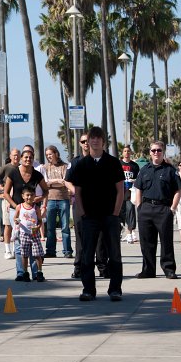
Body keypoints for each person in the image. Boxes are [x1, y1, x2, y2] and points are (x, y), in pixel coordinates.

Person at [67, 126, 124, 302]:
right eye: (92, 138)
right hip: (89, 217)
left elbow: (121, 191)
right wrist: (83, 214)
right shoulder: (81, 165)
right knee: (87, 253)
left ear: (103, 141)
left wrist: (115, 213)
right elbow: (77, 192)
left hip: (110, 216)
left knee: (114, 253)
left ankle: (115, 289)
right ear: (88, 141)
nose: (95, 141)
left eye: (99, 138)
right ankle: (88, 290)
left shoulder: (113, 162)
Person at [133, 141, 181, 279]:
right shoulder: (144, 170)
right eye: (153, 150)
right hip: (146, 208)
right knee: (146, 242)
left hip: (163, 209)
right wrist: (139, 207)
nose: (156, 153)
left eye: (159, 150)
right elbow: (138, 189)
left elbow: (178, 190)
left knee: (166, 241)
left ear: (163, 152)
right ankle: (148, 270)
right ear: (150, 152)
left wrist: (172, 209)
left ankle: (169, 269)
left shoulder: (170, 170)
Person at [2, 149, 48, 280]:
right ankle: (21, 272)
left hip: (32, 212)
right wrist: (15, 205)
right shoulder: (13, 172)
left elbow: (46, 190)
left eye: (30, 157)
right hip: (16, 211)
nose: (28, 159)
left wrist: (40, 199)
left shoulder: (37, 174)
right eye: (26, 157)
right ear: (21, 158)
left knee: (34, 244)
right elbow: (5, 192)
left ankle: (36, 273)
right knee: (18, 243)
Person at [40, 145, 72, 258]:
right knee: (50, 227)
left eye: (50, 154)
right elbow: (44, 182)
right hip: (50, 200)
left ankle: (67, 250)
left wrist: (53, 182)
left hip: (63, 199)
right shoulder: (45, 167)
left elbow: (64, 181)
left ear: (56, 154)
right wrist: (57, 181)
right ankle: (50, 251)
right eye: (47, 154)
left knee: (65, 227)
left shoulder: (65, 166)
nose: (49, 156)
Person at [0, 147, 21, 255]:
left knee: (18, 225)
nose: (16, 157)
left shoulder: (22, 168)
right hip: (7, 200)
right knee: (8, 225)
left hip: (19, 200)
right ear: (11, 157)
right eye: (14, 155)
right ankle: (7, 250)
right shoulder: (6, 168)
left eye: (18, 155)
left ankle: (17, 249)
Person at [13, 185, 45, 282]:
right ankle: (25, 272)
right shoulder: (19, 207)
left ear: (34, 195)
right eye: (27, 195)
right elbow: (15, 217)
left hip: (34, 234)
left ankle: (39, 272)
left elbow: (40, 220)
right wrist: (16, 221)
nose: (29, 197)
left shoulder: (36, 208)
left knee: (37, 254)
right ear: (23, 196)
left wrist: (38, 227)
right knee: (24, 254)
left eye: (31, 195)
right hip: (23, 234)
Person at [120, 145, 140, 244]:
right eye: (125, 151)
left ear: (130, 153)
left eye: (128, 151)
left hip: (130, 192)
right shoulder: (118, 164)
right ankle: (120, 231)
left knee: (130, 211)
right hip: (120, 193)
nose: (127, 153)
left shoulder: (134, 166)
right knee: (120, 213)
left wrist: (134, 181)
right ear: (122, 153)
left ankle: (130, 233)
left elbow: (138, 179)